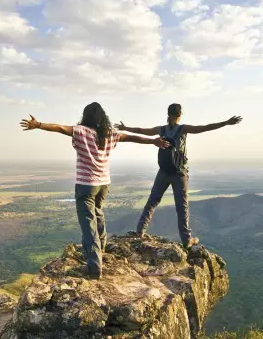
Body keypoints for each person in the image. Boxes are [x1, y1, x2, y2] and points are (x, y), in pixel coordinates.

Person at [20, 102, 168, 279]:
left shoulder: (81, 131)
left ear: (86, 116)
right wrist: (153, 141)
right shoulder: (110, 134)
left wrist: (39, 125)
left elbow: (60, 128)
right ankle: (101, 247)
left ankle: (94, 266)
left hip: (86, 184)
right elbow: (130, 137)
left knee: (87, 223)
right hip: (104, 183)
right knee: (98, 213)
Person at [117, 103, 242, 248]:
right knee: (182, 207)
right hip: (179, 173)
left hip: (163, 171)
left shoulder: (161, 130)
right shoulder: (183, 129)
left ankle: (140, 231)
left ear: (168, 114)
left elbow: (142, 131)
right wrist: (226, 123)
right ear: (180, 115)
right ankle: (186, 240)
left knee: (152, 201)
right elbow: (205, 127)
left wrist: (125, 128)